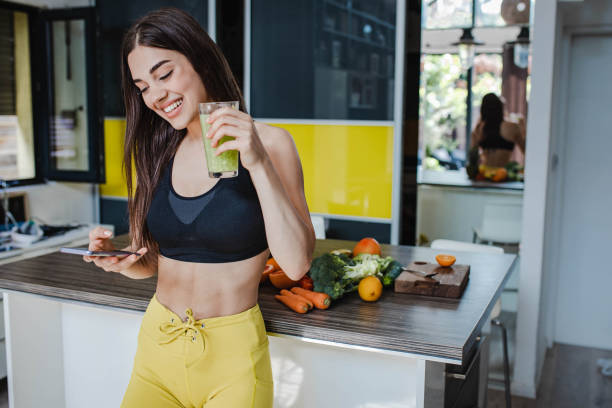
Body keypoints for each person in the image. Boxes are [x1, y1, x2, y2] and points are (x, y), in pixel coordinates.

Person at [83, 8, 315, 408]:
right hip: (158, 349)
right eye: (142, 86)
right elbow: (150, 261)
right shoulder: (156, 152)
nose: (154, 95)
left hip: (232, 360)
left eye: (164, 74)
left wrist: (257, 161)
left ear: (200, 59)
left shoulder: (272, 143)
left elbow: (295, 264)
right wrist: (118, 260)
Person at [470, 93, 526, 168]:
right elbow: (527, 151)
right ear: (500, 108)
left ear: (483, 110)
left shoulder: (479, 129)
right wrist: (523, 130)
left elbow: (473, 159)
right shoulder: (512, 127)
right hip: (503, 175)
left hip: (485, 175)